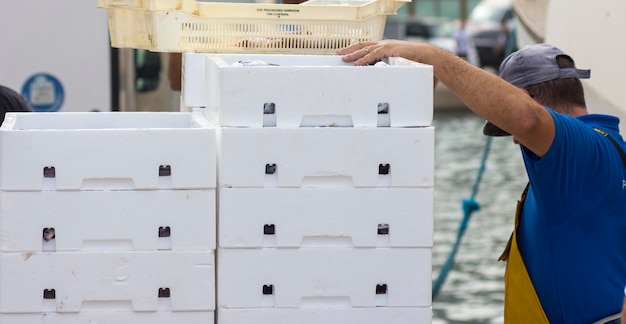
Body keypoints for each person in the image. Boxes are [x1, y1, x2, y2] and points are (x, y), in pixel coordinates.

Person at [337, 41, 626, 323]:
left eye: (508, 129)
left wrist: (431, 56)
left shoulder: (577, 153)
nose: (516, 140)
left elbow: (527, 120)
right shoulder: (611, 150)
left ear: (529, 97)